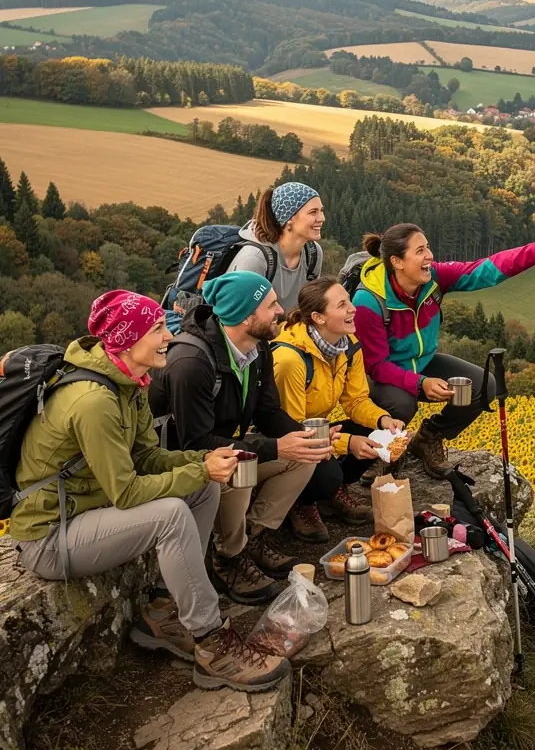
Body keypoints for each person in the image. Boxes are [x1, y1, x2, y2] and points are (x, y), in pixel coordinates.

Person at [11, 290, 288, 692]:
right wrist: (198, 469)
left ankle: (161, 609)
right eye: (157, 330)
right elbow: (126, 492)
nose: (169, 339)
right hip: (50, 537)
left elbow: (146, 459)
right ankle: (211, 645)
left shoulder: (126, 384)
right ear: (127, 339)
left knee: (204, 488)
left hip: (86, 513)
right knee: (171, 515)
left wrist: (202, 465)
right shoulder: (94, 402)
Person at [149, 271, 336, 597]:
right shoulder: (191, 363)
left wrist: (304, 440)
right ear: (246, 316)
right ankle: (227, 558)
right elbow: (196, 443)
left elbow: (268, 412)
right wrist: (277, 448)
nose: (281, 311)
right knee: (240, 465)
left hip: (218, 446)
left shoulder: (257, 347)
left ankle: (252, 537)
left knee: (303, 457)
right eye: (271, 305)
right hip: (182, 462)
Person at [352, 223, 535, 474]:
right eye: (420, 251)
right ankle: (379, 457)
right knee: (401, 404)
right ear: (397, 262)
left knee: (484, 385)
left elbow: (486, 270)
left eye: (428, 247)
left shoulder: (433, 279)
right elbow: (376, 366)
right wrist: (421, 384)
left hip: (425, 362)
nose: (429, 255)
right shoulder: (369, 301)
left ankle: (428, 438)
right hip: (389, 376)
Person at [271, 278, 407, 542]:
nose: (353, 309)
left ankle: (331, 497)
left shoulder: (348, 345)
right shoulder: (290, 359)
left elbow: (356, 401)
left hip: (318, 432)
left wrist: (383, 420)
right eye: (342, 304)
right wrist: (348, 443)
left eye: (349, 301)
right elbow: (292, 427)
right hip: (287, 439)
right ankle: (302, 501)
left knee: (376, 432)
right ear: (318, 317)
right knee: (328, 474)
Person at [227, 181, 324, 311]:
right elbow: (239, 318)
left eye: (321, 211)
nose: (322, 218)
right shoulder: (254, 260)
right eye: (313, 212)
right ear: (289, 218)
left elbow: (309, 307)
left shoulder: (313, 253)